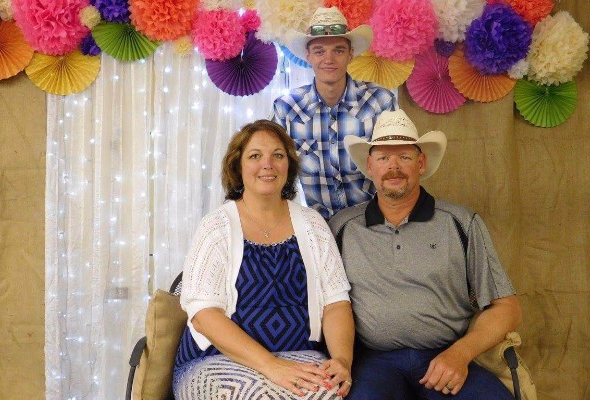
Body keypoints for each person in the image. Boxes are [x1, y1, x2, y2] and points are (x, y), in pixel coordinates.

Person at [328, 109, 523, 399]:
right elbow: (326, 305)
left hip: (446, 355)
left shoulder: (461, 222)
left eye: (404, 157)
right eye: (383, 158)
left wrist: (460, 354)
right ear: (369, 165)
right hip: (373, 362)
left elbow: (507, 307)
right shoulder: (342, 228)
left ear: (421, 163)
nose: (394, 167)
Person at [173, 120, 355, 400]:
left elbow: (336, 303)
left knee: (326, 393)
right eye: (255, 156)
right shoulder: (215, 226)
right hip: (216, 360)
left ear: (289, 165)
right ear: (238, 167)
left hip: (301, 356)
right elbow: (204, 317)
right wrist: (272, 366)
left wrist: (342, 360)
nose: (267, 164)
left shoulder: (313, 224)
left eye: (277, 155)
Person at [271, 6, 398, 220]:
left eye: (338, 50)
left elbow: (396, 168)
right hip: (316, 226)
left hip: (373, 222)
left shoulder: (380, 102)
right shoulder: (286, 108)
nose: (328, 59)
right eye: (319, 51)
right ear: (308, 56)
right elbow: (273, 171)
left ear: (350, 55)